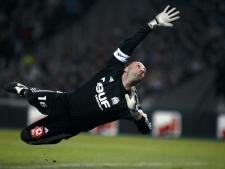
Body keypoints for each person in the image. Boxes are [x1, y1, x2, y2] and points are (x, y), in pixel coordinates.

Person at [4, 5, 180, 145]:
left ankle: (54, 135)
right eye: (139, 65)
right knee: (33, 95)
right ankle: (24, 91)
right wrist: (153, 23)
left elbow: (146, 129)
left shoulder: (130, 103)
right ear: (126, 67)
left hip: (69, 124)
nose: (142, 70)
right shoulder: (114, 68)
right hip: (65, 100)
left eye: (144, 71)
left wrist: (136, 114)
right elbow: (129, 43)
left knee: (27, 136)